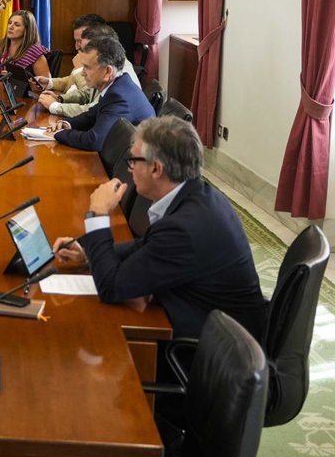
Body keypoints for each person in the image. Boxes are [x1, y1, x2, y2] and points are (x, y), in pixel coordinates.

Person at [52, 116, 267, 341]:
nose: (130, 168)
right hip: (206, 320)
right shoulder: (198, 195)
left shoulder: (185, 227)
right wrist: (88, 254)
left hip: (210, 348)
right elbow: (148, 246)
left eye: (133, 160)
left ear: (155, 168)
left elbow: (110, 287)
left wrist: (98, 214)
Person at [49, 36, 154, 151]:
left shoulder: (119, 97)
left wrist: (59, 134)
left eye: (87, 67)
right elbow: (92, 115)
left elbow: (94, 141)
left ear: (107, 72)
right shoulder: (119, 84)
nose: (82, 73)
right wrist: (67, 123)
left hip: (131, 160)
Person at [36, 22, 139, 118]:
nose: (79, 48)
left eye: (86, 46)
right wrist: (60, 98)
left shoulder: (117, 73)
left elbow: (92, 112)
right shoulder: (104, 63)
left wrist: (55, 106)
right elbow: (88, 93)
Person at [0, 9, 51, 79]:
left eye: (17, 25)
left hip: (20, 86)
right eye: (10, 23)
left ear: (27, 30)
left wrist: (14, 79)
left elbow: (46, 83)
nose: (10, 27)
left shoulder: (35, 52)